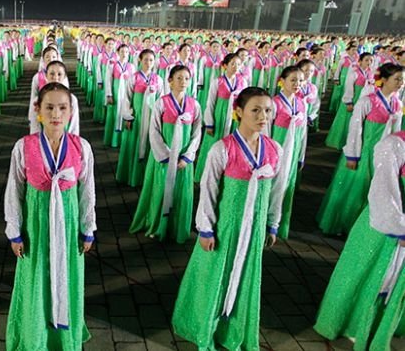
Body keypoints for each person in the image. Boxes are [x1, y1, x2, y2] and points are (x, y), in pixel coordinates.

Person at [172, 87, 287, 350]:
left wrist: (272, 222)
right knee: (213, 274)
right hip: (225, 227)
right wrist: (206, 228)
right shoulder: (223, 149)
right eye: (255, 110)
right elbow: (209, 191)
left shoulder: (274, 150)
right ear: (238, 112)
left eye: (268, 110)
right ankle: (204, 324)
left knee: (247, 273)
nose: (263, 116)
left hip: (255, 228)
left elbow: (278, 190)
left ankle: (234, 328)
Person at [4, 82, 96, 351]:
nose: (56, 114)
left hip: (67, 227)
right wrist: (15, 231)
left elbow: (87, 191)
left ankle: (64, 337)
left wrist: (87, 227)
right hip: (36, 226)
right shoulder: (24, 146)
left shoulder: (82, 147)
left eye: (62, 108)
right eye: (50, 108)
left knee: (67, 276)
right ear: (38, 111)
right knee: (36, 276)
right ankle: (36, 335)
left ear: (70, 112)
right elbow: (14, 191)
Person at [314, 131, 405, 349]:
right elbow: (383, 193)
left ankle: (382, 326)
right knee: (368, 275)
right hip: (381, 228)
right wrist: (400, 228)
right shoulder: (393, 145)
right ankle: (352, 325)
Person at [317, 63, 404, 235]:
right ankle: (345, 224)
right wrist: (352, 155)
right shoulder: (367, 101)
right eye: (397, 79)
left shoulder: (397, 103)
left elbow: (397, 133)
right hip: (364, 153)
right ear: (384, 80)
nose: (401, 83)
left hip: (385, 156)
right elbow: (355, 129)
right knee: (356, 189)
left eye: (403, 79)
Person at [129, 65, 202, 242]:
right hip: (164, 158)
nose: (183, 82)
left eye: (186, 78)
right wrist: (167, 156)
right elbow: (154, 131)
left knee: (182, 193)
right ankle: (157, 224)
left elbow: (196, 132)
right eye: (179, 78)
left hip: (184, 159)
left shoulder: (194, 104)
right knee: (160, 190)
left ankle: (178, 228)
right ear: (169, 81)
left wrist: (187, 156)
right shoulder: (161, 103)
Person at [194, 53, 247, 182]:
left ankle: (226, 176)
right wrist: (210, 123)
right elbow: (210, 104)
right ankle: (205, 176)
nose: (236, 67)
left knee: (232, 147)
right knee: (213, 146)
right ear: (225, 65)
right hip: (219, 118)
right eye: (232, 64)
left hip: (234, 119)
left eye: (238, 64)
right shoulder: (217, 82)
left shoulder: (242, 82)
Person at [269, 66, 308, 239]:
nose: (297, 84)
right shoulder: (274, 103)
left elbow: (303, 132)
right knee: (272, 186)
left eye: (300, 80)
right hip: (275, 154)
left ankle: (279, 224)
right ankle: (265, 220)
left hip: (291, 155)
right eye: (293, 80)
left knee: (286, 186)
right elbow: (266, 132)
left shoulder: (301, 103)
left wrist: (301, 156)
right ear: (282, 81)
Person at [116, 49, 163, 187]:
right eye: (145, 60)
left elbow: (162, 100)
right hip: (137, 118)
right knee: (133, 144)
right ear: (140, 61)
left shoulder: (158, 80)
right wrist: (128, 117)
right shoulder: (134, 78)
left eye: (151, 60)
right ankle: (131, 176)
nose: (148, 63)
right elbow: (127, 99)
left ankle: (146, 179)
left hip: (152, 119)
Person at [325, 52, 375, 150]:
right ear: (360, 61)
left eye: (371, 60)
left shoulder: (369, 73)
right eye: (366, 60)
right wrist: (348, 101)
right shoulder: (354, 72)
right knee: (346, 121)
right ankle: (341, 142)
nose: (369, 62)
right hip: (353, 99)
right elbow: (349, 87)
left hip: (362, 100)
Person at [30, 60, 80, 135]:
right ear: (46, 76)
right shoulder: (37, 100)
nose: (56, 77)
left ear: (64, 77)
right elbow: (34, 124)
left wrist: (71, 141)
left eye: (59, 74)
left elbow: (74, 125)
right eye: (52, 74)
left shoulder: (72, 99)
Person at [104, 44, 134, 148]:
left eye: (126, 52)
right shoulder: (113, 65)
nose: (124, 54)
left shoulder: (131, 66)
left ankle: (123, 141)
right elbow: (108, 80)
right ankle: (113, 140)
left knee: (125, 112)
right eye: (122, 52)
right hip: (116, 91)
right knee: (114, 114)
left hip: (126, 92)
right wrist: (109, 94)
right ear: (118, 53)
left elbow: (133, 83)